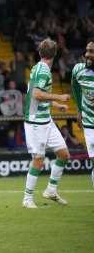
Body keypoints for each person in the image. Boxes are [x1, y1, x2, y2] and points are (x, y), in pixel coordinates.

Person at [22, 38, 71, 209]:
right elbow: (36, 94)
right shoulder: (43, 71)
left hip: (46, 120)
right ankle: (27, 199)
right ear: (55, 54)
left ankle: (51, 190)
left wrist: (56, 105)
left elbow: (35, 94)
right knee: (38, 158)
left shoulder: (37, 67)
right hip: (36, 122)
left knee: (64, 154)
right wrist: (59, 97)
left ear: (40, 53)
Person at [71, 41, 94, 186]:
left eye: (92, 51)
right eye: (87, 51)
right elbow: (75, 87)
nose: (87, 55)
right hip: (90, 123)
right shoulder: (79, 70)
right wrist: (79, 109)